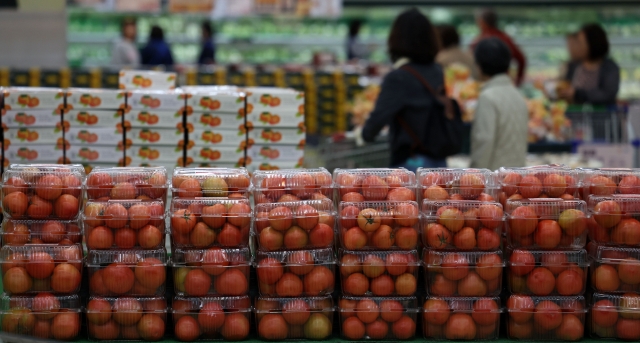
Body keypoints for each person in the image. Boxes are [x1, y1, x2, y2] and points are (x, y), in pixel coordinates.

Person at [361, 8, 445, 171]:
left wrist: (365, 134)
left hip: (410, 163)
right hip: (439, 163)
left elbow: (378, 118)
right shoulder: (437, 71)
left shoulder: (399, 77)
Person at [470, 37, 528, 171]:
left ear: (479, 66)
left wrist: (473, 178)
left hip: (494, 181)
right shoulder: (518, 95)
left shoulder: (487, 97)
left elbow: (484, 142)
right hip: (517, 179)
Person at [559, 23, 620, 106]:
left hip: (600, 117)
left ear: (593, 43)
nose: (576, 46)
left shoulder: (609, 68)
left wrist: (577, 94)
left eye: (580, 42)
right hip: (574, 116)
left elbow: (607, 95)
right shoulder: (574, 65)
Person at [472, 9, 527, 86]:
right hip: (504, 83)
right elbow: (521, 59)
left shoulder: (479, 41)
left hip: (484, 84)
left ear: (481, 22)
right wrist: (518, 81)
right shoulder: (506, 38)